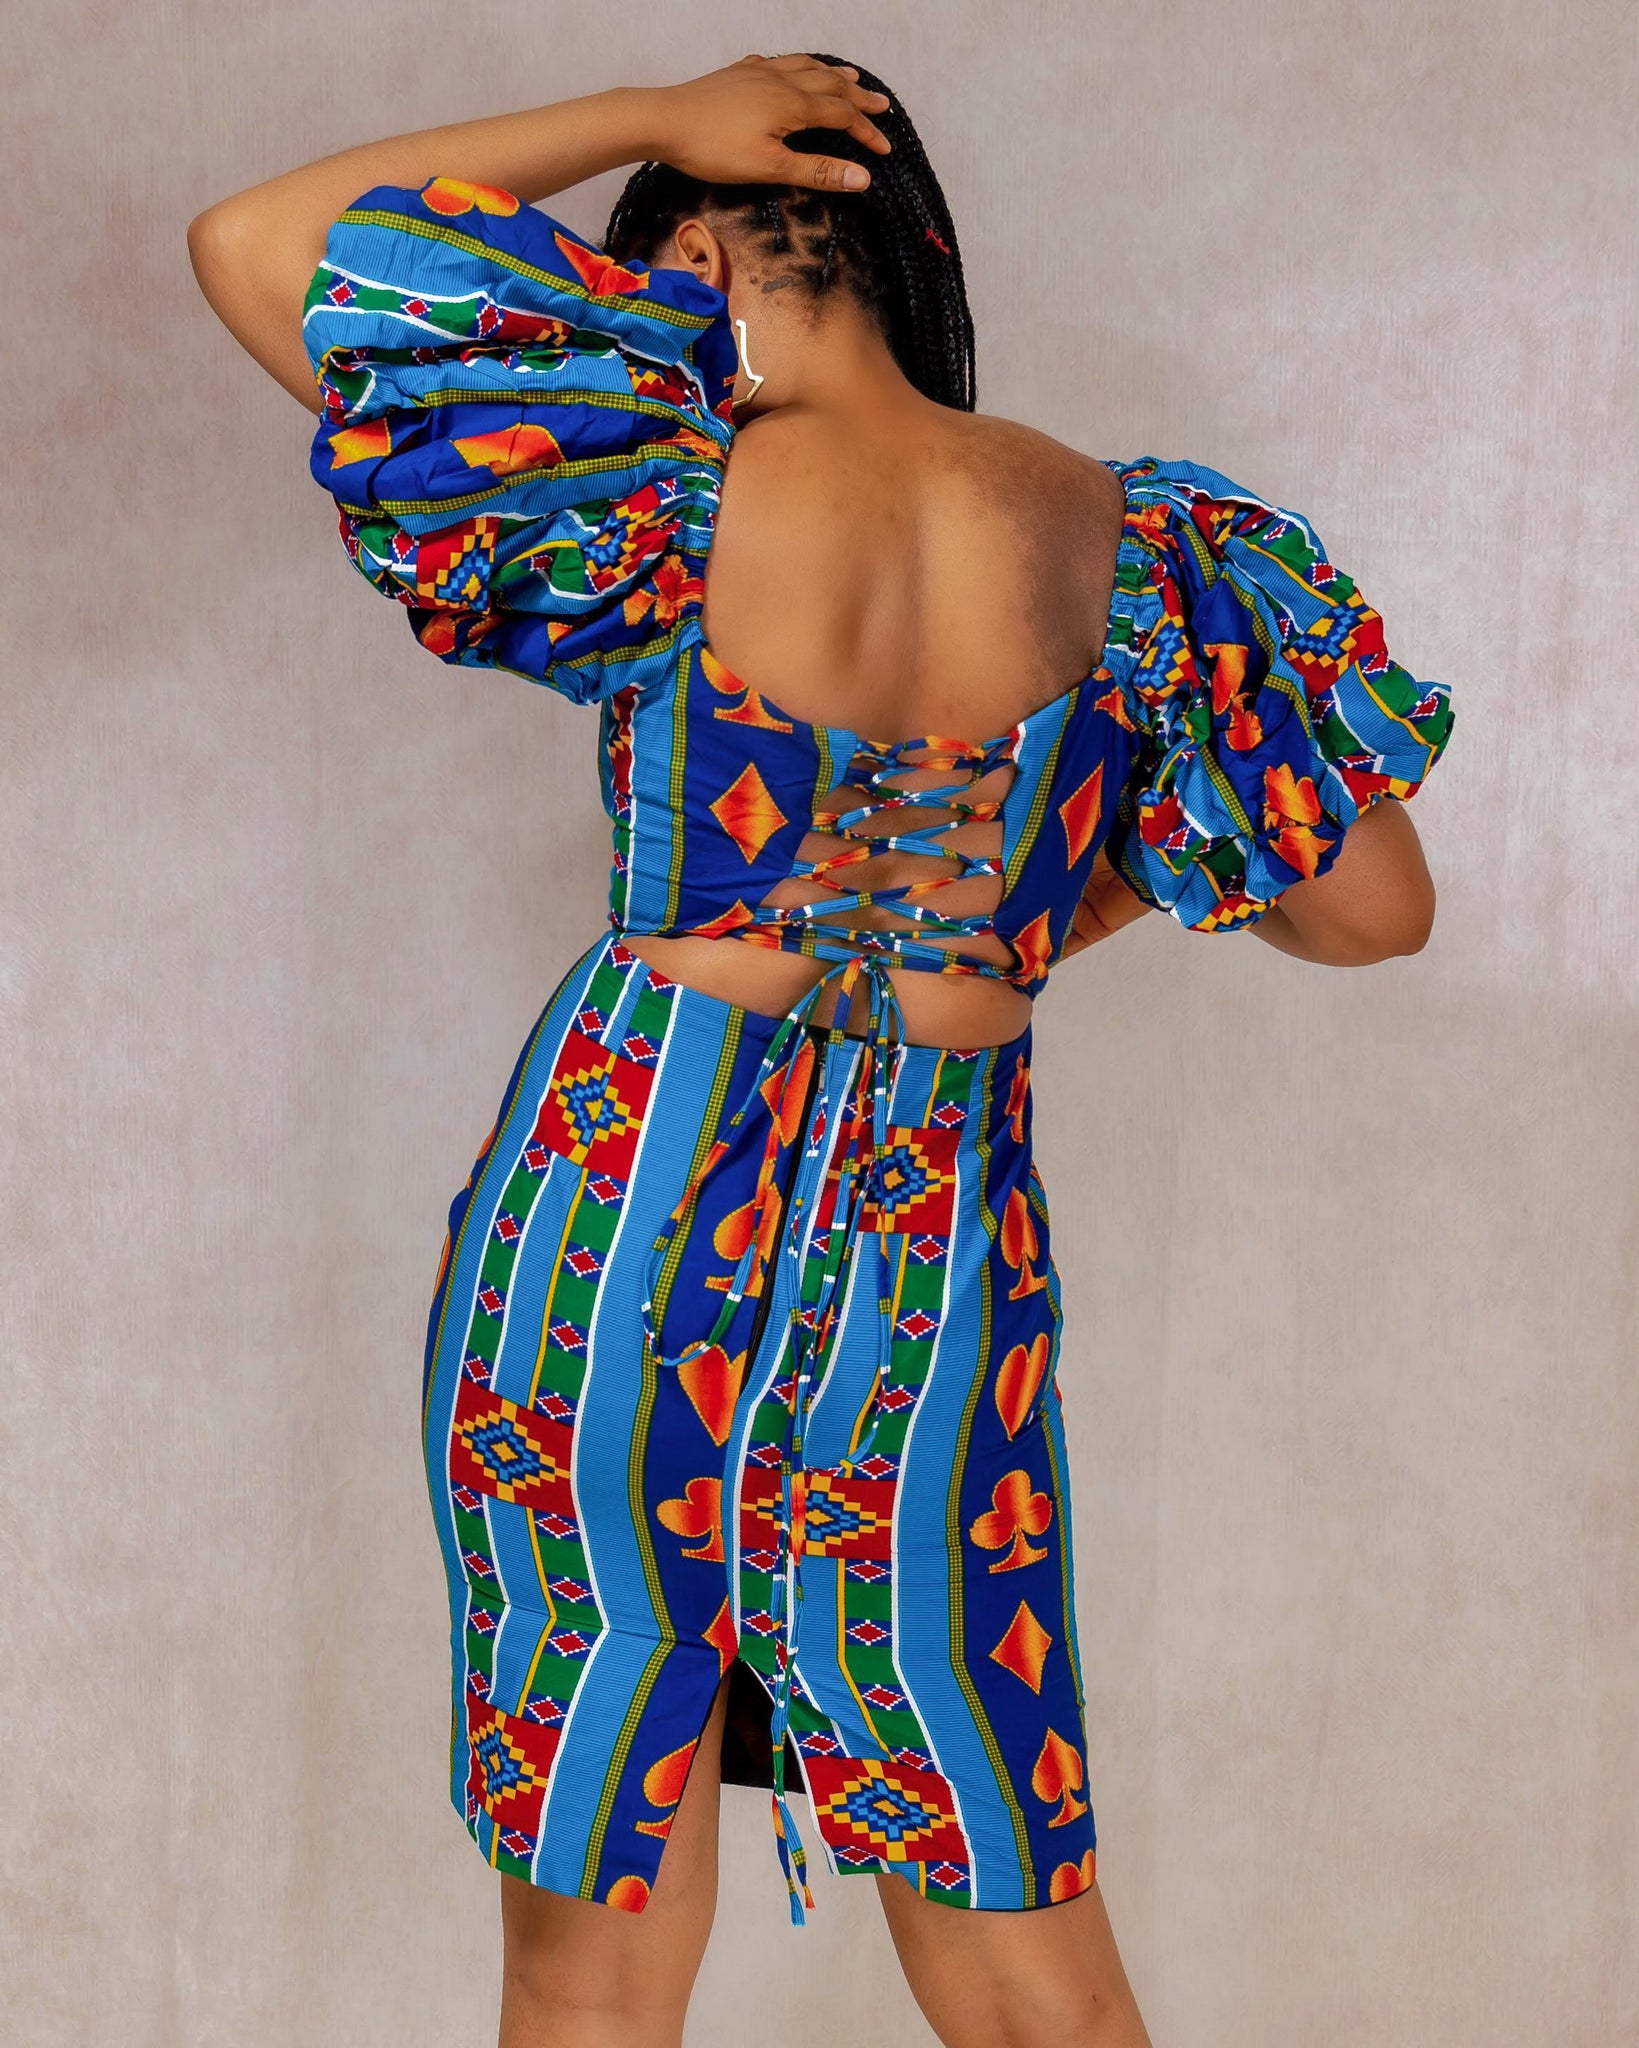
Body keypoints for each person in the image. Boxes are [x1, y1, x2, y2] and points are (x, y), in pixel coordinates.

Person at [188, 51, 1452, 2048]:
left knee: (592, 1959)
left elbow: (256, 243)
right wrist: (1046, 891)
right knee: (1023, 1944)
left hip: (617, 1202)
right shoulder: (1140, 545)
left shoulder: (656, 482)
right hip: (932, 1236)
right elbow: (1371, 906)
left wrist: (646, 111)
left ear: (692, 255)